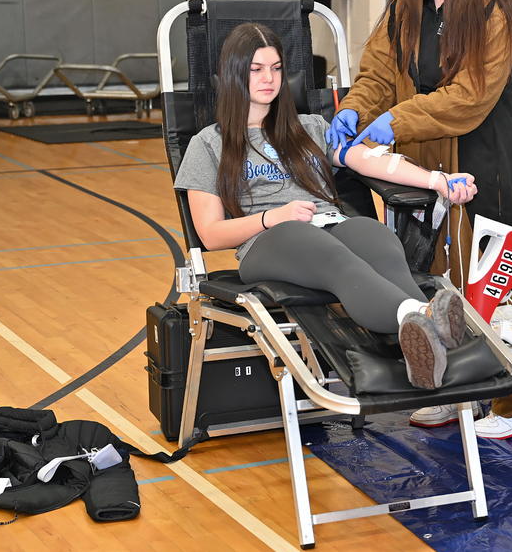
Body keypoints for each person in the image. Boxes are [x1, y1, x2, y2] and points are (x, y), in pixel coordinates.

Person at [325, 0, 512, 440]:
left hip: (481, 157)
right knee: (432, 277)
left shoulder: (495, 7)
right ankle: (456, 390)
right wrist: (357, 106)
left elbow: (470, 96)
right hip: (424, 158)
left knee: (487, 282)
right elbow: (379, 71)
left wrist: (395, 121)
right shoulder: (408, 1)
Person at [173, 22, 482, 391]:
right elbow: (210, 235)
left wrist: (439, 180)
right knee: (326, 251)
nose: (269, 78)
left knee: (375, 236)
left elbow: (368, 160)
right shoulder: (210, 143)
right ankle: (425, 315)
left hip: (328, 225)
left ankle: (426, 341)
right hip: (270, 242)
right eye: (256, 69)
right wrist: (273, 218)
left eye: (276, 68)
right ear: (233, 73)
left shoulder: (309, 127)